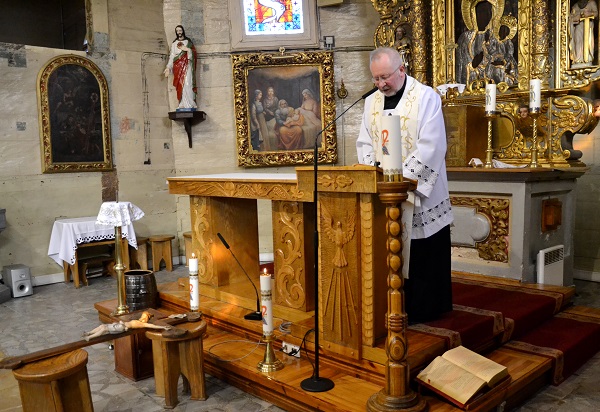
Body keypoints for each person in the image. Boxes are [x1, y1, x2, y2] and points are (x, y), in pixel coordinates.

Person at [356, 47, 454, 323]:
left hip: (420, 193)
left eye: (385, 77)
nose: (380, 84)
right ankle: (392, 305)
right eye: (376, 78)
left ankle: (426, 309)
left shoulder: (425, 97)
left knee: (423, 254)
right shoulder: (371, 102)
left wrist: (402, 180)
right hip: (385, 193)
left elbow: (432, 145)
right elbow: (364, 142)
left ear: (402, 69)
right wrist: (376, 174)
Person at [164, 25, 197, 110]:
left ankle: (190, 103)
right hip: (178, 67)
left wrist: (187, 49)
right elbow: (172, 57)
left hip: (187, 65)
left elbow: (194, 54)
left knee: (188, 83)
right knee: (180, 85)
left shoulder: (188, 42)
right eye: (177, 31)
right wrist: (168, 67)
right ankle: (182, 103)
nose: (179, 32)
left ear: (183, 31)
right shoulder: (174, 44)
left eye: (180, 30)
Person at [82, 311, 170, 341]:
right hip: (120, 325)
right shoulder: (138, 320)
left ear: (146, 319)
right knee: (102, 326)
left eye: (144, 316)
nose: (142, 317)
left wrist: (163, 327)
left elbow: (152, 326)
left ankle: (89, 338)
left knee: (104, 329)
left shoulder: (141, 324)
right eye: (143, 315)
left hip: (122, 328)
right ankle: (89, 333)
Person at [569, 0, 599, 66]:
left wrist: (589, 14)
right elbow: (570, 18)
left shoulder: (591, 2)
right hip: (578, 26)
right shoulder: (575, 6)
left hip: (588, 26)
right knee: (577, 41)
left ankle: (587, 59)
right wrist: (576, 18)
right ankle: (578, 60)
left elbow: (596, 13)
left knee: (588, 42)